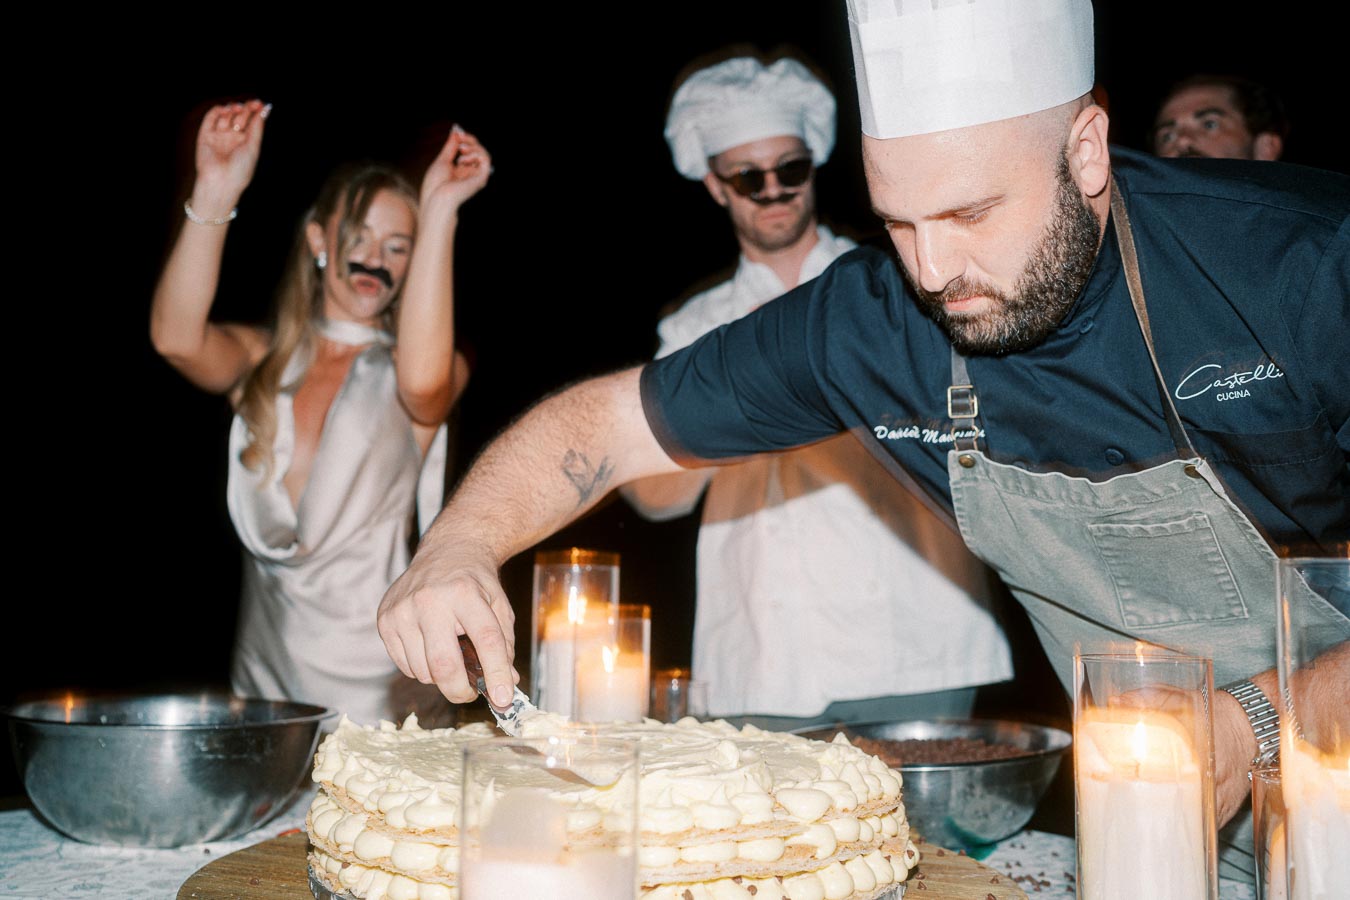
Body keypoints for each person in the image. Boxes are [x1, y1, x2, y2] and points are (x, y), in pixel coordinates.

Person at [376, 0, 1347, 877]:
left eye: (971, 213)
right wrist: (460, 545)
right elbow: (597, 427)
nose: (935, 273)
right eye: (897, 222)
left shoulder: (1304, 265)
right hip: (1166, 818)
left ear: (1086, 149)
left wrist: (1254, 718)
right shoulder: (873, 319)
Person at [621, 54, 1011, 727]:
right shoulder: (695, 324)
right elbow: (651, 496)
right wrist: (734, 394)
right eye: (748, 175)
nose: (772, 188)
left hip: (918, 640)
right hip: (765, 657)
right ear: (717, 186)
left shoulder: (893, 283)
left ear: (813, 168)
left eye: (789, 168)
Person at [151, 100, 490, 725]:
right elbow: (175, 337)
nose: (375, 261)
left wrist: (439, 209)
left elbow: (422, 385)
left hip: (382, 689)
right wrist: (216, 186)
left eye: (397, 247)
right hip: (266, 687)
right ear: (319, 240)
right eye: (358, 238)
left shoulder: (431, 371)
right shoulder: (264, 361)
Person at [1151, 73, 1288, 160]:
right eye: (1167, 136)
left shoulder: (1303, 205)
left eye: (1209, 124)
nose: (1182, 140)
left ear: (1266, 148)